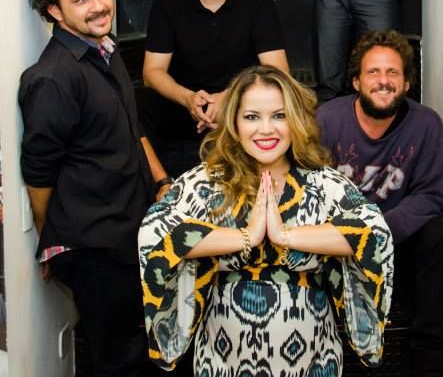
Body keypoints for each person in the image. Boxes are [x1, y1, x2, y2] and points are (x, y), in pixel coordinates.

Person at [139, 65, 394, 375]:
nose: (266, 129)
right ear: (234, 122)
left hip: (314, 361)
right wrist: (246, 236)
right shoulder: (208, 182)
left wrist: (285, 235)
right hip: (223, 361)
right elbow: (155, 234)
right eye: (251, 117)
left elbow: (374, 234)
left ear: (295, 120)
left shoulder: (321, 182)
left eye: (279, 115)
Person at [20, 0, 169, 376]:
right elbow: (39, 171)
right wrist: (50, 237)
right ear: (54, 10)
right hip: (93, 247)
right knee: (118, 360)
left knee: (142, 348)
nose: (99, 6)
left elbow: (132, 126)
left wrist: (161, 181)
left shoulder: (105, 49)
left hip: (126, 230)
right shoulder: (53, 78)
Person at [316, 30, 443, 376]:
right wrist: (342, 236)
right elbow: (308, 188)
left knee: (439, 235)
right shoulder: (326, 121)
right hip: (334, 245)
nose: (383, 81)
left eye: (393, 72)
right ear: (356, 82)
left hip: (394, 241)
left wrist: (375, 231)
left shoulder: (427, 125)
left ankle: (429, 365)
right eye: (373, 72)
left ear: (407, 83)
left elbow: (429, 197)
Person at [141, 0, 288, 172]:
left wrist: (228, 98)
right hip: (182, 111)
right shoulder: (169, 1)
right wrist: (188, 99)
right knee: (138, 108)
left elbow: (278, 69)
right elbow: (151, 73)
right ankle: (164, 184)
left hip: (241, 110)